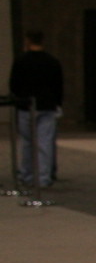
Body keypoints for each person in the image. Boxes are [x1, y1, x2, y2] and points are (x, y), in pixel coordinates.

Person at [9, 29, 63, 207]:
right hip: (47, 105)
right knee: (45, 143)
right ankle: (43, 177)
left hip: (26, 106)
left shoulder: (21, 61)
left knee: (27, 142)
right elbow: (59, 85)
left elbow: (14, 84)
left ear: (27, 40)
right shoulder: (52, 61)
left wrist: (19, 99)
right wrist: (57, 103)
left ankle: (27, 175)